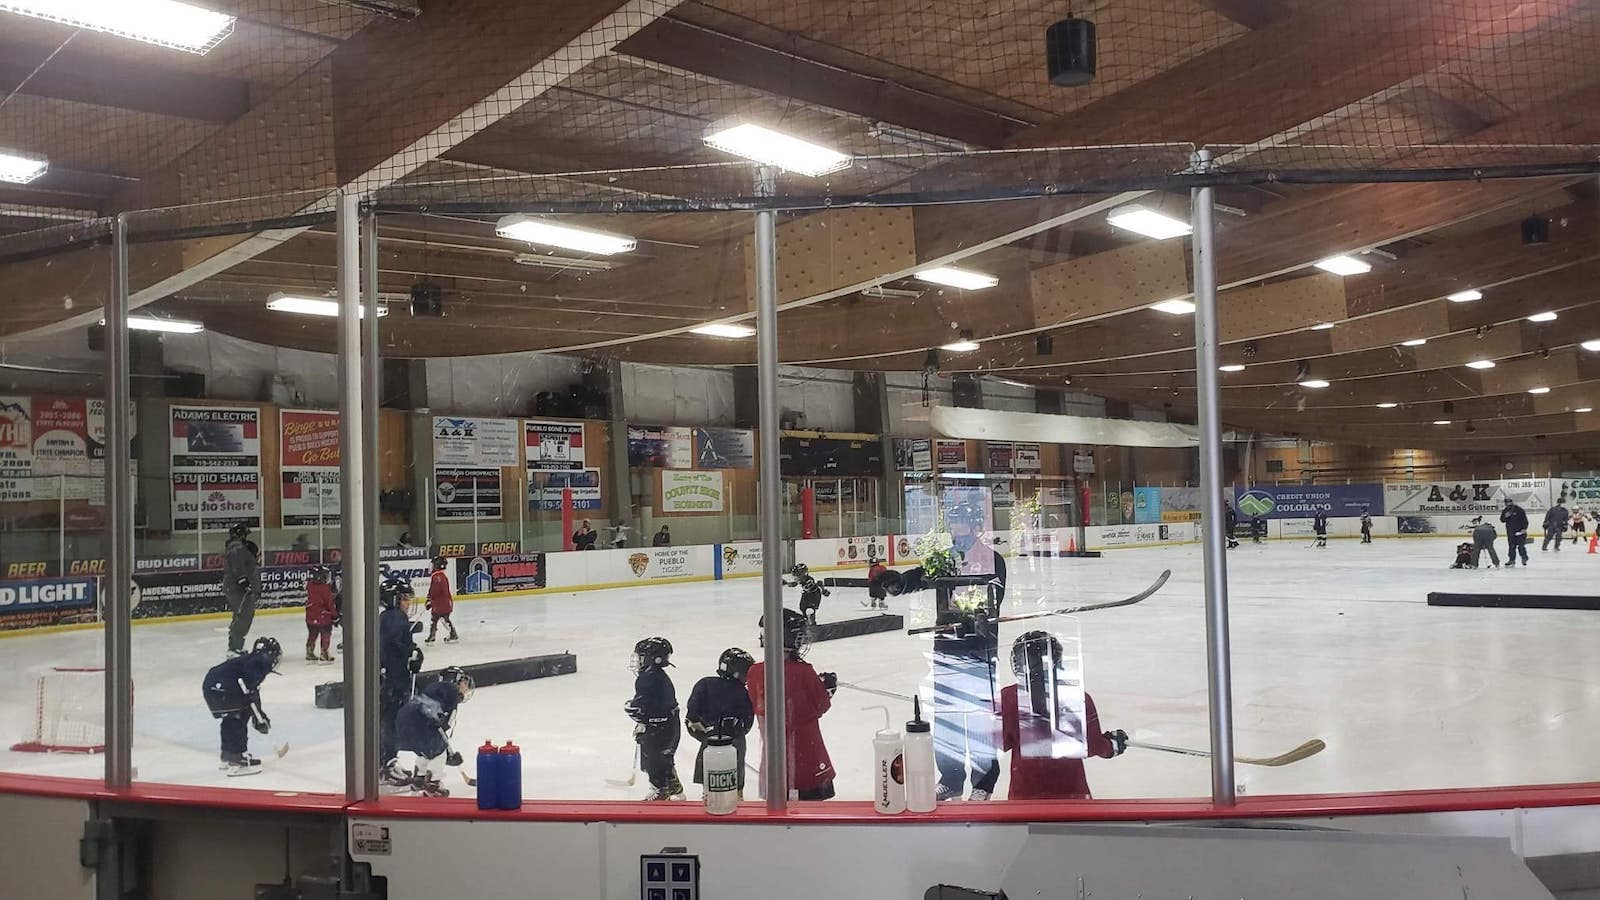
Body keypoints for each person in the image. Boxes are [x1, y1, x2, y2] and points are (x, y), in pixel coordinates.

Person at [999, 631, 1127, 800]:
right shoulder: (1076, 696)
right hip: (1072, 793)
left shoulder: (1007, 697)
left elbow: (1000, 743)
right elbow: (1092, 745)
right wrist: (1111, 746)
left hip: (1024, 795)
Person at [748, 609, 836, 801]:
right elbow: (820, 705)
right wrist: (828, 689)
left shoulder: (755, 672)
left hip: (773, 763)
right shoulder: (804, 672)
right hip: (807, 757)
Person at [201, 636, 282, 774]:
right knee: (239, 717)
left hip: (211, 686)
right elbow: (250, 693)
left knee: (230, 718)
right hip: (225, 688)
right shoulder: (260, 663)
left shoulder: (250, 660)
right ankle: (237, 758)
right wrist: (259, 719)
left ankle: (227, 754)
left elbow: (249, 691)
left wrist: (259, 716)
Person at [392, 666, 475, 797]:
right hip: (421, 723)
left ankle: (419, 778)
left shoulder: (434, 688)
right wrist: (447, 753)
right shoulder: (452, 693)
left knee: (427, 750)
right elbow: (444, 725)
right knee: (438, 751)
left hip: (404, 718)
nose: (466, 689)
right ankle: (433, 784)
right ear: (455, 681)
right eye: (464, 684)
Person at [686, 648, 756, 799]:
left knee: (714, 769)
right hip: (729, 742)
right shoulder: (741, 692)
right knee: (731, 767)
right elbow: (747, 723)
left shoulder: (705, 684)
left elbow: (692, 716)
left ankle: (715, 794)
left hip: (713, 742)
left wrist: (706, 730)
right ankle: (734, 794)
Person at [626, 636, 682, 800]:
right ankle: (674, 787)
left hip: (659, 728)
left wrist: (632, 709)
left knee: (653, 759)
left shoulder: (648, 677)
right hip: (670, 724)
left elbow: (641, 705)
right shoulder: (657, 675)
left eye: (642, 657)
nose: (639, 661)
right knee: (665, 756)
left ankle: (661, 790)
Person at [379, 574, 423, 782]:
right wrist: (412, 654)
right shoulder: (395, 618)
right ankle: (387, 764)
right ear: (393, 598)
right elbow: (396, 648)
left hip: (389, 679)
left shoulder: (388, 617)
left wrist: (412, 651)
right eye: (404, 598)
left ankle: (385, 762)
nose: (408, 603)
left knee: (387, 721)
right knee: (390, 722)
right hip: (392, 681)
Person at [222, 523, 261, 655]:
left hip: (240, 588)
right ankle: (234, 647)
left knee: (243, 616)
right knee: (242, 616)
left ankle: (235, 646)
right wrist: (244, 582)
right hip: (239, 589)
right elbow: (238, 567)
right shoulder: (237, 548)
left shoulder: (239, 548)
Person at [304, 565, 337, 662]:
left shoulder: (309, 585)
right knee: (326, 634)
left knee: (312, 634)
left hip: (310, 617)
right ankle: (324, 653)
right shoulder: (325, 588)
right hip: (323, 617)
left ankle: (309, 651)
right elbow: (330, 604)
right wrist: (335, 615)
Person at [425, 555, 458, 643]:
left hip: (442, 604)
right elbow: (433, 590)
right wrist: (430, 599)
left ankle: (453, 634)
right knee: (434, 618)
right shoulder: (438, 575)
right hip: (440, 603)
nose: (431, 566)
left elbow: (435, 590)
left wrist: (430, 600)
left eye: (433, 564)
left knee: (443, 618)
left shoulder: (438, 576)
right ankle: (432, 635)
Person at [1501, 497, 1530, 567]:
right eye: (1506, 502)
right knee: (1511, 547)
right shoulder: (1505, 511)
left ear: (1512, 502)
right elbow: (1502, 520)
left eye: (1509, 502)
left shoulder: (1519, 510)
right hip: (1510, 532)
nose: (1508, 503)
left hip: (1520, 532)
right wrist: (1505, 516)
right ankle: (1511, 560)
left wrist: (1524, 528)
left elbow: (1525, 520)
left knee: (1521, 546)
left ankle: (1524, 557)